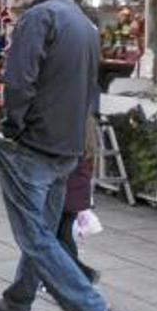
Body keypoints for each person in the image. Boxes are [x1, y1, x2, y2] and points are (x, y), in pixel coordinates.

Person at [0, 0, 125, 311]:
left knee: (33, 234)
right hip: (66, 144)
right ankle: (17, 301)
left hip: (34, 144)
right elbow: (89, 87)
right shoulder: (82, 22)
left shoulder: (39, 17)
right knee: (43, 231)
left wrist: (12, 127)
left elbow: (18, 80)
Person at [59, 114, 100, 284]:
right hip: (77, 197)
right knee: (64, 235)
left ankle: (81, 272)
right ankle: (74, 274)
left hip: (66, 196)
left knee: (54, 238)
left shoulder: (72, 146)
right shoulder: (88, 143)